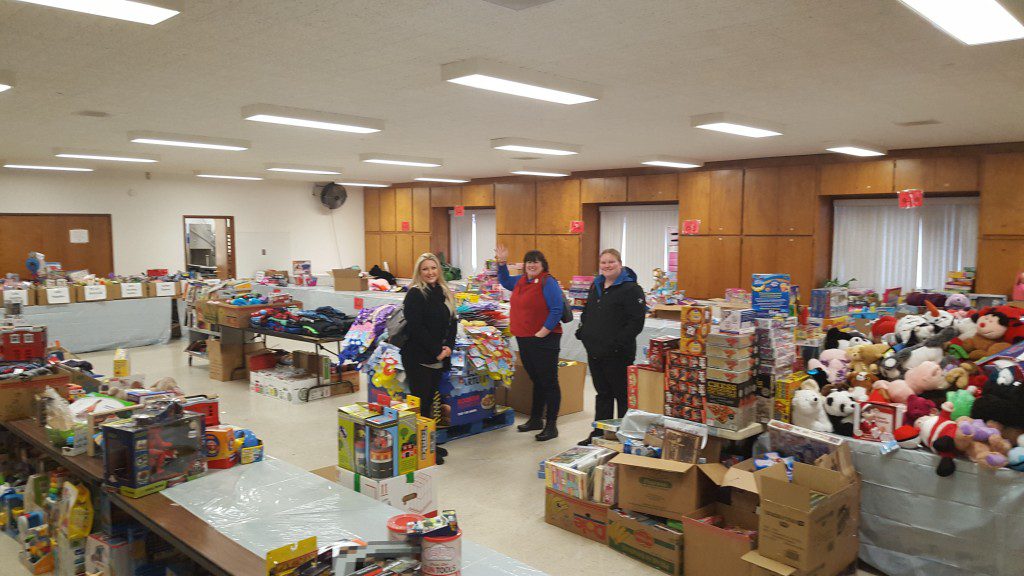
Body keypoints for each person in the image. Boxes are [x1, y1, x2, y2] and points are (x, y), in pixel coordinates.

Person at [575, 248, 645, 445]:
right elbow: (587, 311)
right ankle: (599, 433)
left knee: (622, 396)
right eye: (603, 262)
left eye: (611, 262)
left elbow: (636, 322)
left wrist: (617, 344)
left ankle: (624, 436)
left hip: (618, 353)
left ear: (620, 264)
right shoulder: (596, 285)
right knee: (603, 394)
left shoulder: (631, 289)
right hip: (595, 350)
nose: (607, 265)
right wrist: (583, 331)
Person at [495, 245, 564, 441]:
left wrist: (542, 332)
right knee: (537, 380)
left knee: (549, 382)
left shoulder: (547, 282)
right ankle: (536, 419)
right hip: (524, 338)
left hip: (544, 339)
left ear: (543, 265)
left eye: (536, 261)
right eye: (529, 261)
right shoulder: (522, 280)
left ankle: (551, 425)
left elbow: (556, 309)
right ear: (524, 265)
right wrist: (501, 263)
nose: (532, 265)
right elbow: (506, 281)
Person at [400, 252, 457, 464]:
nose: (430, 272)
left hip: (439, 356)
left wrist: (448, 347)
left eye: (433, 268)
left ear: (438, 270)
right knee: (421, 403)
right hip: (418, 357)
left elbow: (453, 322)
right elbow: (416, 328)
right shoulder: (415, 294)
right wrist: (437, 350)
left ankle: (429, 443)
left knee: (431, 402)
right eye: (425, 269)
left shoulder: (444, 291)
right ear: (419, 272)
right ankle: (420, 449)